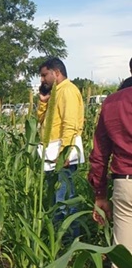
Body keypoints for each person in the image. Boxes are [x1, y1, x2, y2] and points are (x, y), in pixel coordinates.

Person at [88, 85, 132, 268]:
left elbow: (100, 153)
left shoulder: (113, 103)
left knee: (123, 257)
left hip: (125, 183)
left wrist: (100, 194)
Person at [37, 57, 84, 235]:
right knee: (56, 200)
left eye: (44, 75)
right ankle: (58, 239)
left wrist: (64, 153)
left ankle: (69, 240)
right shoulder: (56, 93)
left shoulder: (68, 91)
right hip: (52, 154)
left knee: (64, 200)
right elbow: (41, 120)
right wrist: (43, 102)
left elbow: (70, 124)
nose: (42, 80)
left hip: (62, 155)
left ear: (56, 73)